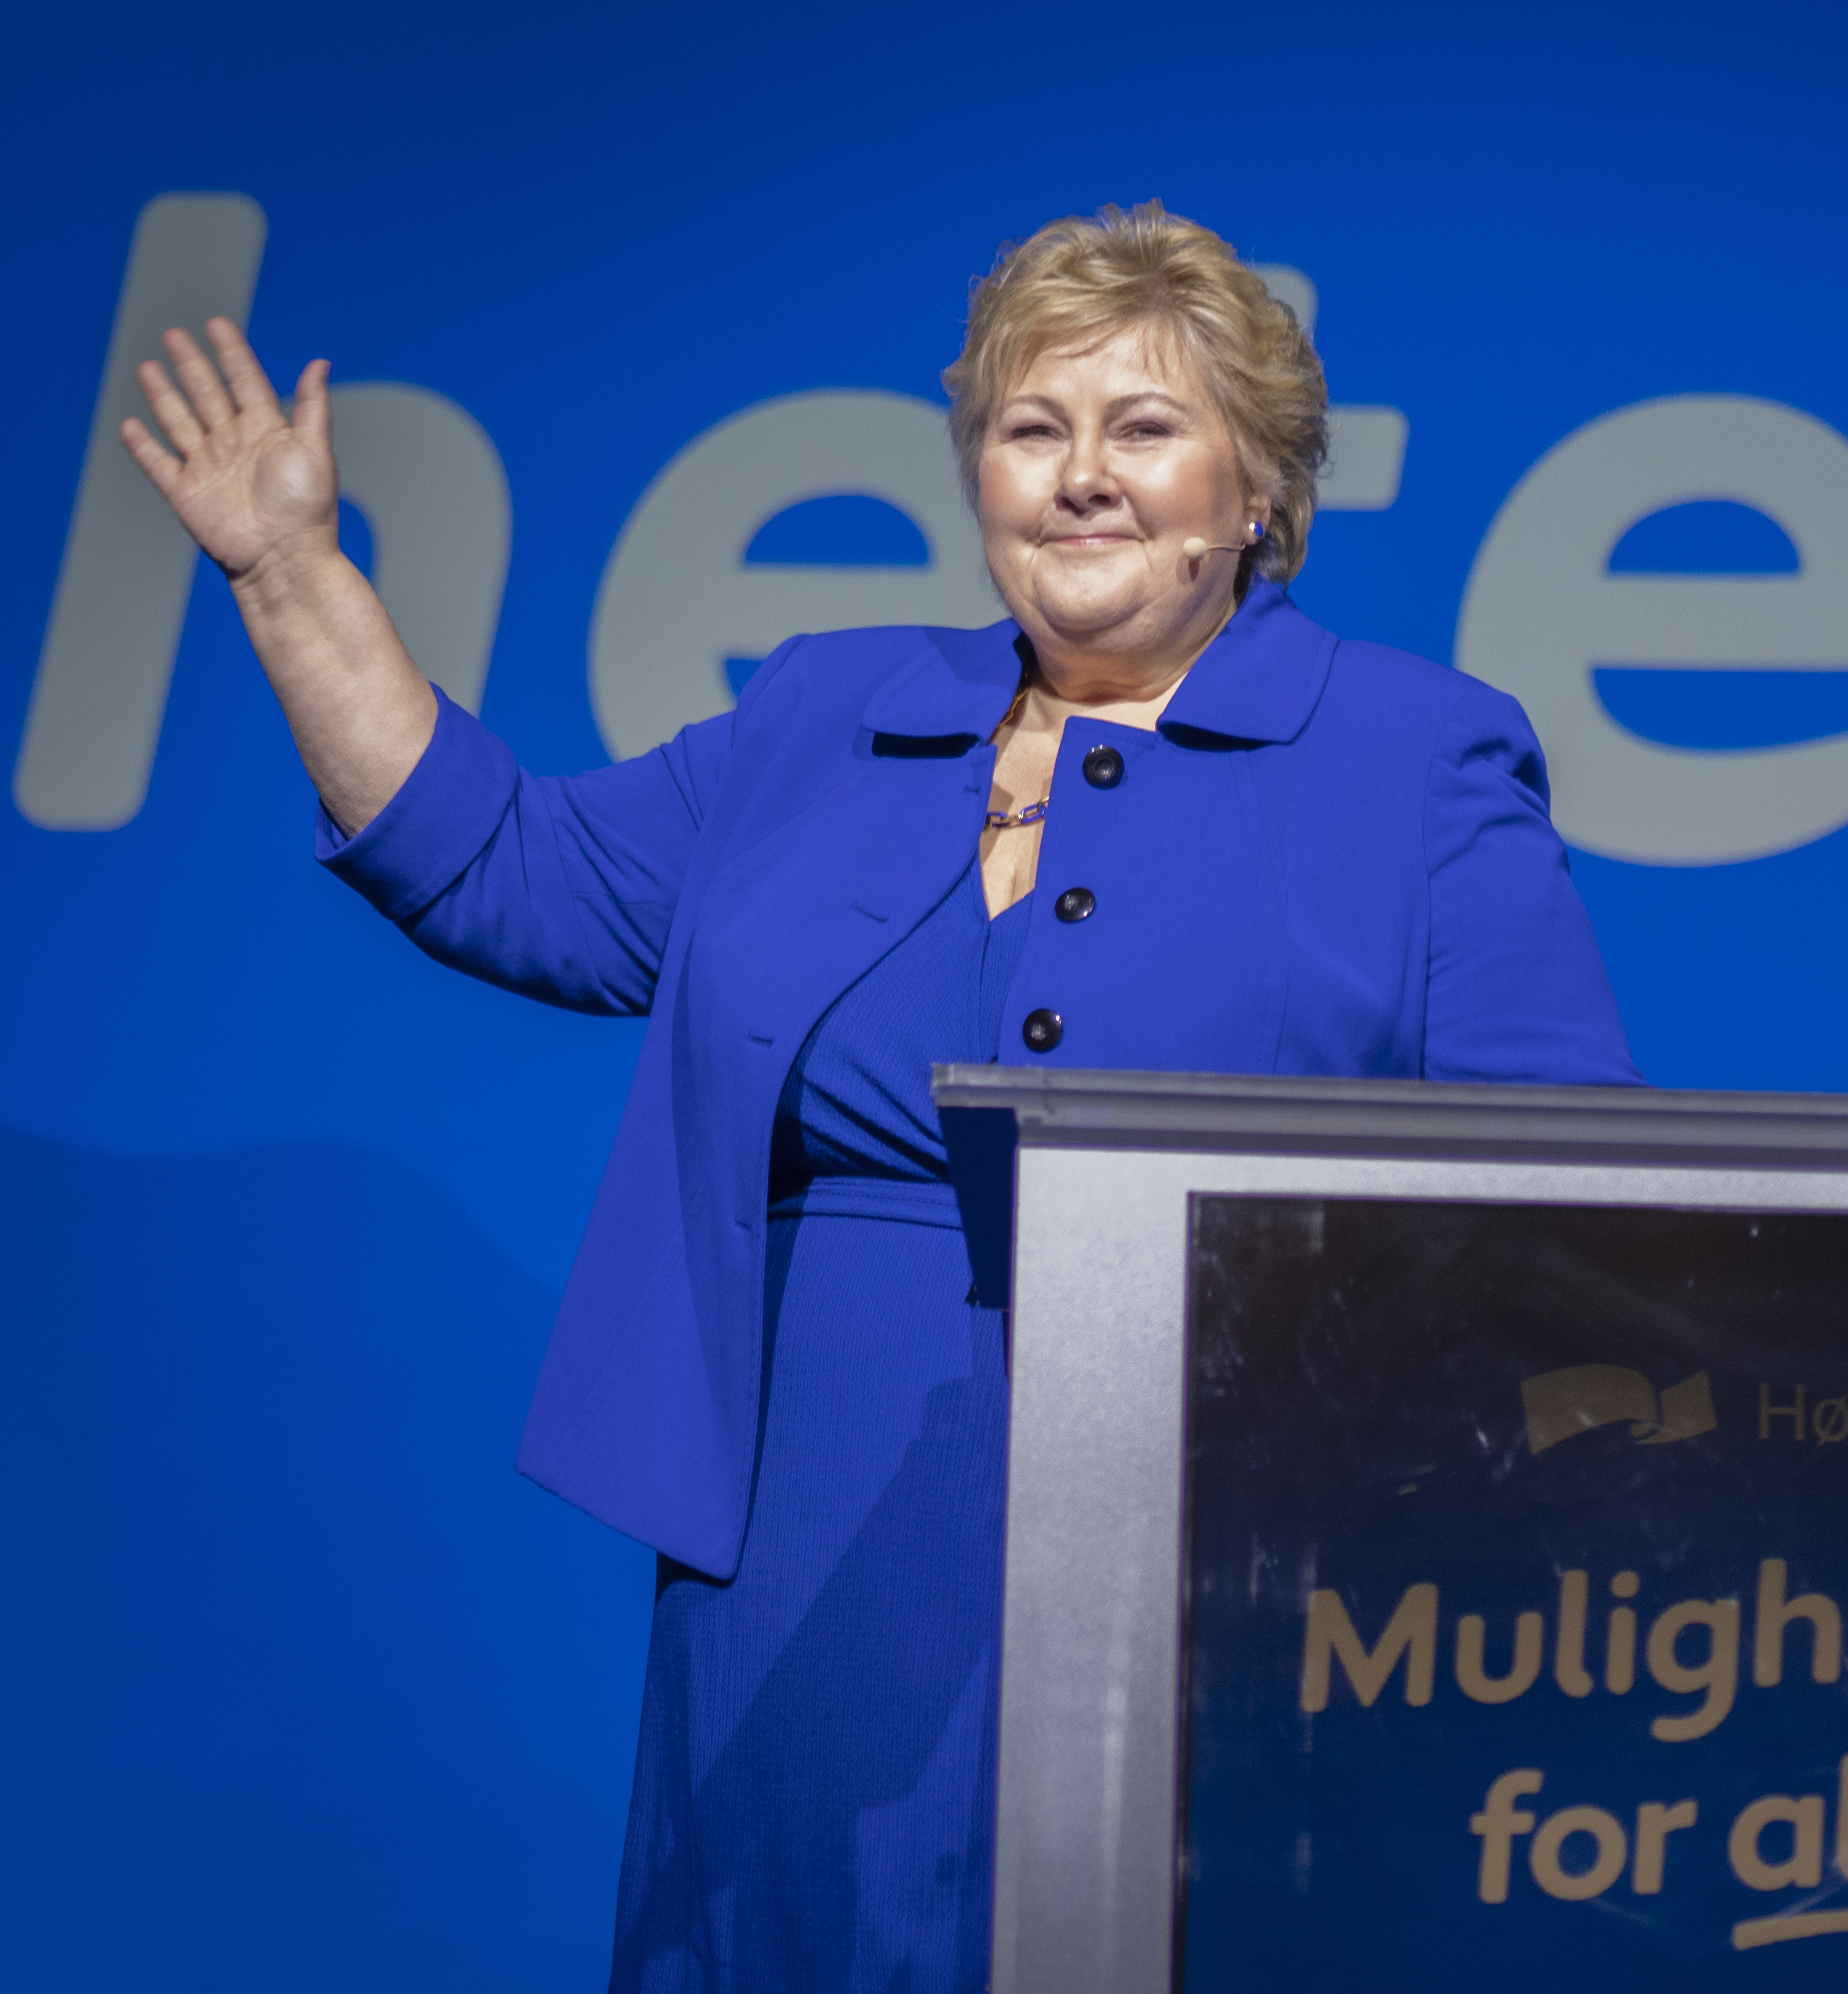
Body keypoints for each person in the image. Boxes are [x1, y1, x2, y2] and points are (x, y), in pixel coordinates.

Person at [118, 201, 1640, 1992]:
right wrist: (290, 573)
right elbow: (506, 870)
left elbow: (1559, 1196)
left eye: (1145, 430)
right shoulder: (830, 709)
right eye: (1030, 430)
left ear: (1257, 492)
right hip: (808, 1539)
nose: (1082, 478)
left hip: (1224, 1541)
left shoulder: (1409, 754)